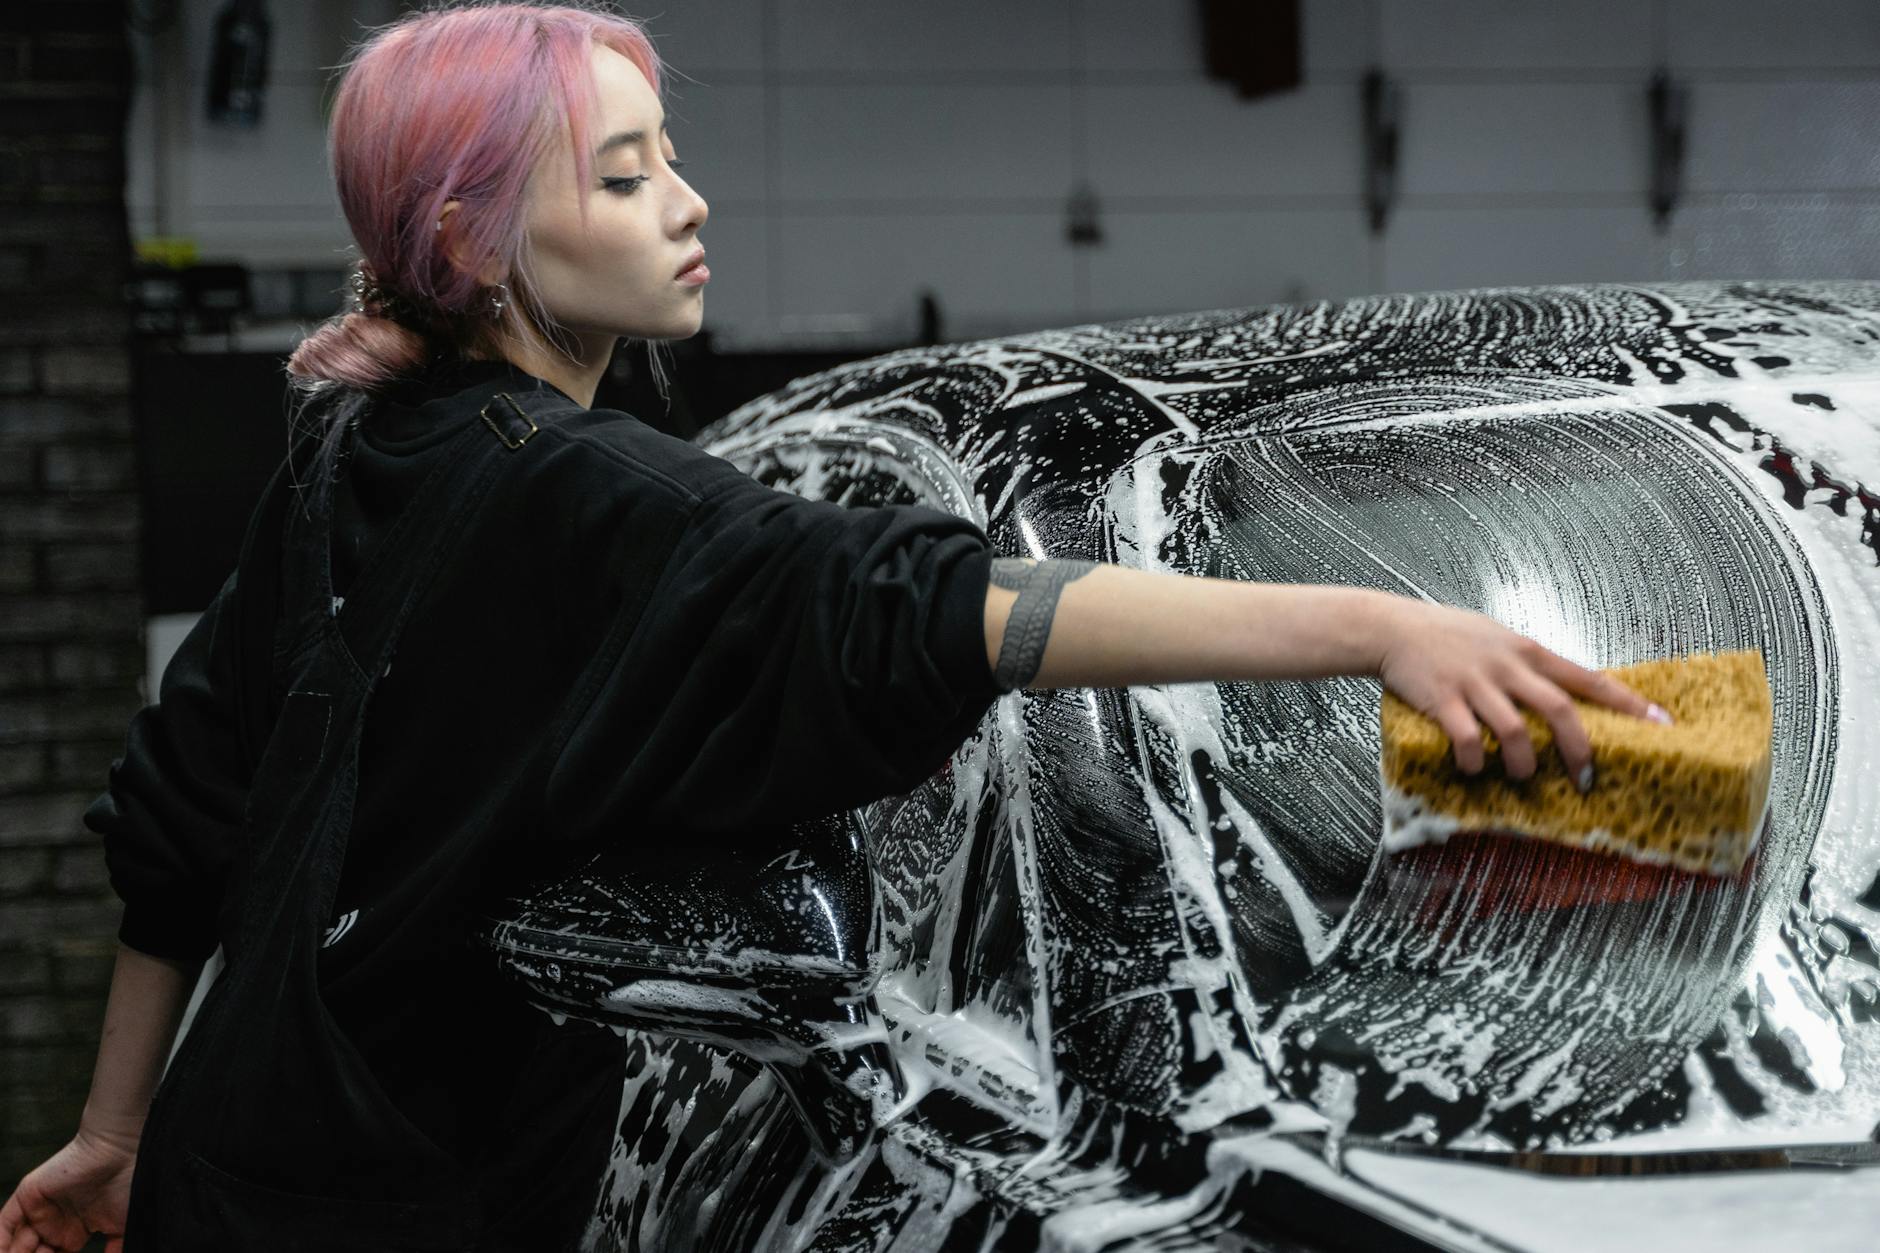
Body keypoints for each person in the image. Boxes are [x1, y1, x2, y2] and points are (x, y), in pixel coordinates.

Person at [0, 3, 1673, 1251]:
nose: (689, 203)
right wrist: (1378, 627)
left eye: (675, 158)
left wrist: (113, 1133)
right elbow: (946, 607)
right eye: (629, 172)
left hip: (230, 1155)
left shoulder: (356, 443)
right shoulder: (591, 494)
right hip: (398, 1202)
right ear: (470, 238)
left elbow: (183, 811)